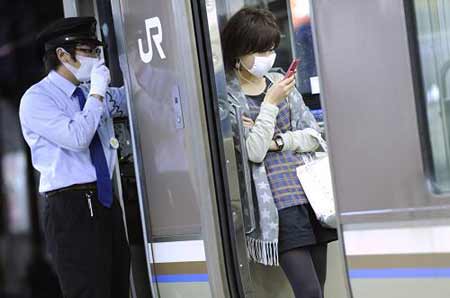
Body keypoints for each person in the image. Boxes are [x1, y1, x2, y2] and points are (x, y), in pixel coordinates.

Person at [221, 8, 337, 298]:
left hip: (309, 196)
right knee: (308, 290)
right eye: (260, 50)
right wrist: (271, 104)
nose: (267, 56)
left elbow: (313, 134)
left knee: (318, 289)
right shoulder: (229, 96)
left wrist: (278, 141)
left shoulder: (278, 82)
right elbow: (254, 151)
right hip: (277, 207)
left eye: (271, 48)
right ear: (239, 49)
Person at [18, 17, 130, 298]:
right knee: (88, 291)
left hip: (105, 201)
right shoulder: (37, 98)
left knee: (118, 286)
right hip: (71, 207)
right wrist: (96, 93)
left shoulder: (89, 94)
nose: (95, 58)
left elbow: (134, 99)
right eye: (88, 52)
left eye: (96, 52)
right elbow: (78, 137)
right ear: (62, 55)